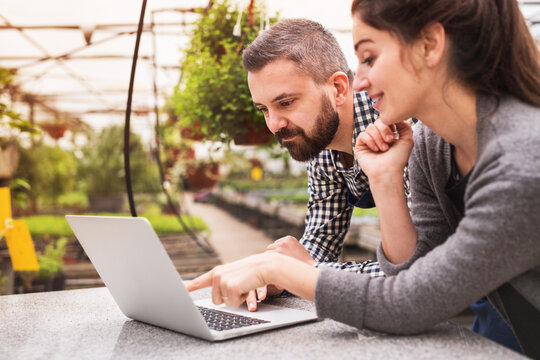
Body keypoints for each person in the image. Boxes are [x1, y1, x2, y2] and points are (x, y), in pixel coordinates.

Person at [188, 1, 540, 357]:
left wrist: (283, 269)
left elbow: (407, 299)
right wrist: (385, 181)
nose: (362, 81)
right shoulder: (429, 148)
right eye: (264, 109)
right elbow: (411, 271)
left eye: (369, 58)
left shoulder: (518, 161)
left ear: (431, 45)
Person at [235, 19, 412, 311]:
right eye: (264, 109)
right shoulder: (320, 143)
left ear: (339, 89)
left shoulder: (400, 130)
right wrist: (281, 272)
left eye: (286, 103)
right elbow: (321, 240)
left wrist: (303, 274)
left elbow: (414, 272)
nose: (274, 124)